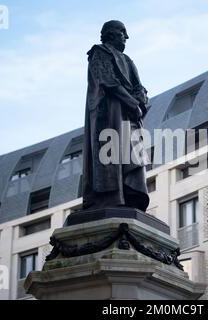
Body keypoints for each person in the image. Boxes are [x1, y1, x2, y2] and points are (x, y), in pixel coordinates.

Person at [82, 20, 150, 212]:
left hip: (129, 115)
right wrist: (132, 103)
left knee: (132, 154)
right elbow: (108, 81)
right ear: (110, 34)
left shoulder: (128, 60)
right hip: (110, 114)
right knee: (110, 155)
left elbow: (139, 87)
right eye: (123, 32)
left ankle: (130, 194)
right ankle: (110, 198)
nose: (126, 37)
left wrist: (140, 102)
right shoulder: (99, 53)